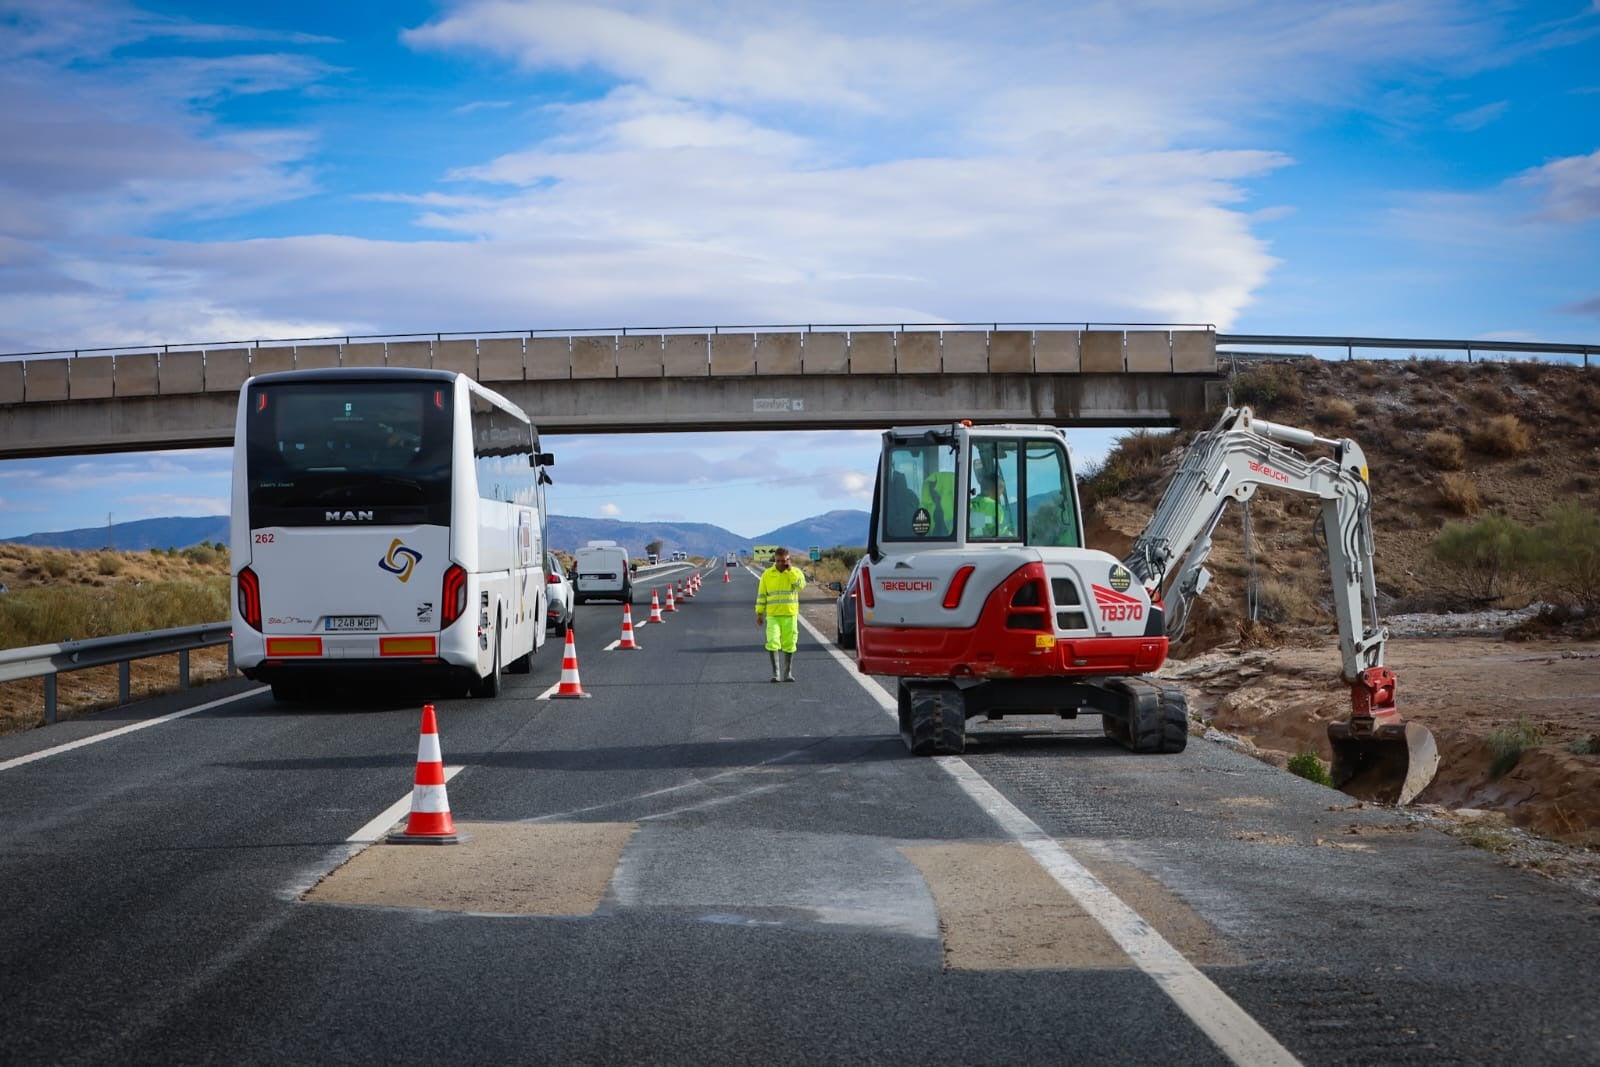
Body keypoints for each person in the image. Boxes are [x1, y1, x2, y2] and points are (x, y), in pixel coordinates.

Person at [755, 547, 807, 682]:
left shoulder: (795, 572)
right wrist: (759, 613)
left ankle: (787, 672)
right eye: (778, 561)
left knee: (790, 643)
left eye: (783, 561)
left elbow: (800, 586)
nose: (780, 563)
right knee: (772, 642)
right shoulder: (767, 574)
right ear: (774, 560)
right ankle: (776, 673)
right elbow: (762, 595)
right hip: (773, 615)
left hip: (790, 614)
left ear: (788, 560)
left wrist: (790, 571)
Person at [969, 466, 1015, 538]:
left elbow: (973, 524)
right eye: (1000, 492)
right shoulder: (995, 507)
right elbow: (1000, 531)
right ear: (995, 489)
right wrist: (1013, 537)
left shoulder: (971, 502)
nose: (999, 496)